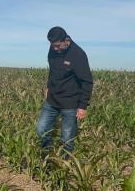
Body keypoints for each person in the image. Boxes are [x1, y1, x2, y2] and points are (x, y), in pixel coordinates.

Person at [37, 26, 93, 156]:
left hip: (70, 103)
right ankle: (48, 156)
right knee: (41, 130)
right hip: (52, 100)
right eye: (52, 45)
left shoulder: (78, 54)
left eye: (57, 46)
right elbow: (53, 71)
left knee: (67, 138)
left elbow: (87, 82)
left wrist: (83, 106)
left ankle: (65, 164)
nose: (54, 48)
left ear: (66, 40)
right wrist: (48, 87)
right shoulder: (53, 50)